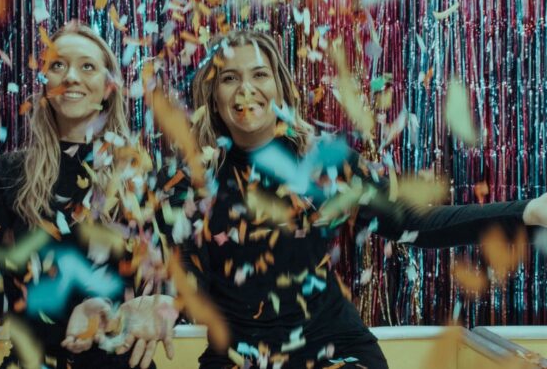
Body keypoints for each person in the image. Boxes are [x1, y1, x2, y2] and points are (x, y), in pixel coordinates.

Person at [159, 29, 547, 369]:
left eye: (260, 74)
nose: (246, 89)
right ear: (212, 94)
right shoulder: (187, 183)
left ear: (279, 87)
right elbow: (177, 277)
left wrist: (526, 212)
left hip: (336, 352)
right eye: (230, 77)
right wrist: (152, 304)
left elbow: (413, 223)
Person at [0, 22, 175, 369]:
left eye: (87, 66)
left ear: (108, 87)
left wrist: (148, 307)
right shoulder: (9, 173)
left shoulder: (141, 173)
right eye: (58, 65)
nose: (70, 76)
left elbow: (167, 282)